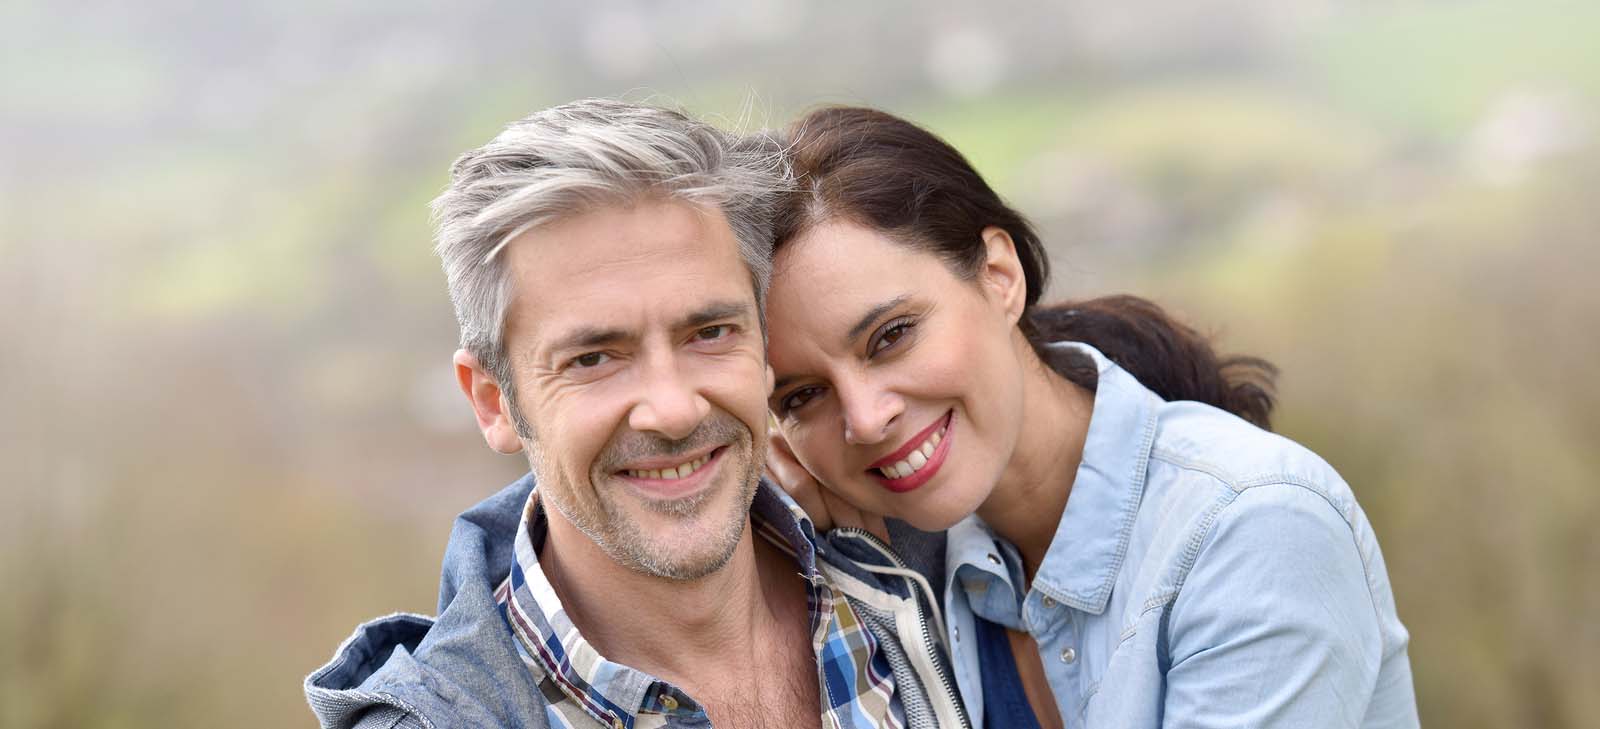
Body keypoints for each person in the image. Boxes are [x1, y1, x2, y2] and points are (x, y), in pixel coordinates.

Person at [304, 100, 969, 729]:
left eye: (709, 332)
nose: (674, 409)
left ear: (765, 343)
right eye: (595, 358)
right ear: (493, 401)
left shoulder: (924, 565)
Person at [761, 106, 1420, 729]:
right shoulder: (898, 571)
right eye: (801, 396)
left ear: (999, 275)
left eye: (891, 335)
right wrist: (861, 579)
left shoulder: (1255, 526)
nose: (866, 419)